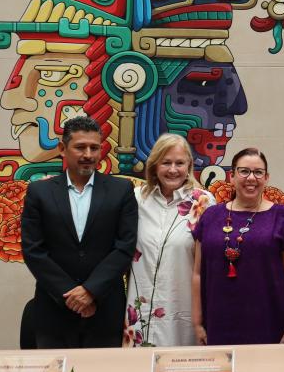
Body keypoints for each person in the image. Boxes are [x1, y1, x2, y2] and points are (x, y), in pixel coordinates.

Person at [21, 116, 138, 348]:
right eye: (80, 147)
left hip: (105, 308)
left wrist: (90, 291)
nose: (88, 154)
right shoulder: (39, 192)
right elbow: (33, 249)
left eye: (94, 148)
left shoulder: (121, 190)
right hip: (54, 309)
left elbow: (125, 246)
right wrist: (72, 295)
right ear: (62, 149)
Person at [191, 148, 284, 345]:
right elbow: (198, 274)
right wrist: (197, 323)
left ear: (266, 177)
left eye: (258, 172)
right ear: (232, 176)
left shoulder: (283, 216)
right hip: (218, 322)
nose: (251, 178)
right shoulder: (210, 216)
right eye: (244, 171)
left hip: (269, 322)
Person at [124, 134, 215, 347]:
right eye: (166, 162)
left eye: (179, 163)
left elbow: (209, 262)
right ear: (154, 165)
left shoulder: (203, 201)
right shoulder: (137, 199)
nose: (173, 169)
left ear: (189, 166)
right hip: (141, 310)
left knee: (182, 370)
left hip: (183, 308)